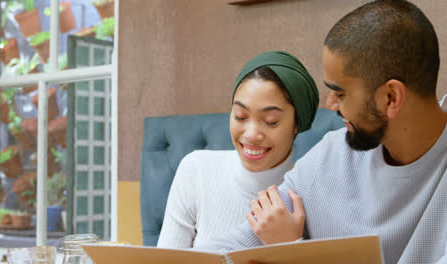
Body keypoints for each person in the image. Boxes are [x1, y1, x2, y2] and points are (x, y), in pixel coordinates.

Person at [197, 1, 447, 263]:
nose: (330, 105)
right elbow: (237, 245)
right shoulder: (333, 153)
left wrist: (291, 251)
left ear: (390, 97)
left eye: (340, 93)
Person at [156, 51, 319, 248]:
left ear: (296, 125)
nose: (250, 134)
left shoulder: (310, 193)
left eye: (270, 121)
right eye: (240, 116)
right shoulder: (196, 170)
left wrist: (292, 245)